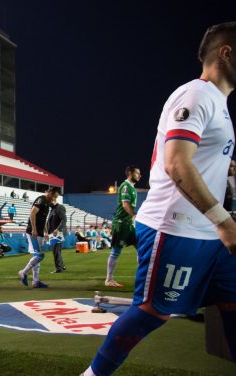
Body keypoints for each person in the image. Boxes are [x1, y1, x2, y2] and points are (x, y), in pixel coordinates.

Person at [83, 22, 236, 376]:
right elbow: (176, 163)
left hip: (208, 231)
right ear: (226, 53)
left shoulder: (219, 104)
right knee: (153, 312)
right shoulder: (196, 95)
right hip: (177, 227)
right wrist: (224, 221)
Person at [105, 165, 141, 287]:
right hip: (121, 223)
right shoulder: (125, 186)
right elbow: (126, 205)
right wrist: (135, 216)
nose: (140, 175)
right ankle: (109, 279)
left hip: (128, 224)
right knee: (116, 251)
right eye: (137, 173)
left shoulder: (132, 188)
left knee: (141, 248)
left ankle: (144, 276)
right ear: (130, 173)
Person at [18, 187, 60, 288]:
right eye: (54, 197)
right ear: (49, 193)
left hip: (40, 233)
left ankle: (35, 281)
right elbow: (32, 213)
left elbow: (43, 220)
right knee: (39, 256)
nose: (54, 199)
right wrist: (34, 229)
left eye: (56, 198)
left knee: (37, 258)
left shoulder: (47, 204)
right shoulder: (41, 200)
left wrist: (45, 233)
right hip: (34, 233)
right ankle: (23, 272)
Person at [47, 199, 67, 273]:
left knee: (56, 250)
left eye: (50, 201)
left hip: (58, 233)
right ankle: (61, 266)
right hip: (53, 233)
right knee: (56, 250)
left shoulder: (60, 207)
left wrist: (58, 229)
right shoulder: (52, 209)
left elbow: (64, 220)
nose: (49, 203)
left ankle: (59, 268)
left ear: (54, 200)